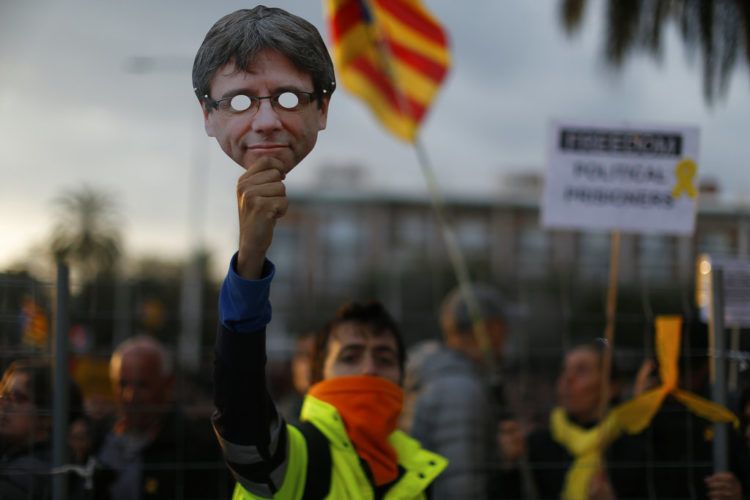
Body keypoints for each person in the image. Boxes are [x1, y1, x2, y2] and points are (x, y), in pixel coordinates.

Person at [194, 6, 447, 498]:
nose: (266, 121)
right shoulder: (295, 462)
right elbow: (243, 426)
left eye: (289, 98)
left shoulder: (422, 473)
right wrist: (249, 264)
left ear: (322, 109)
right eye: (352, 354)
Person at [407, 283, 521, 499]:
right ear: (488, 329)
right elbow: (460, 485)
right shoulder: (459, 391)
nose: (508, 334)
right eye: (504, 325)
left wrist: (499, 456)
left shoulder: (439, 375)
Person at [95, 335, 230, 500]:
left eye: (142, 385)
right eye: (123, 384)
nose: (130, 396)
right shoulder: (98, 439)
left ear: (167, 385)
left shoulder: (194, 447)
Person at [525, 340, 648, 499]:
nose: (567, 379)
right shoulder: (538, 444)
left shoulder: (633, 447)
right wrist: (510, 466)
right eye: (564, 370)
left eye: (581, 371)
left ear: (611, 388)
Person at [0, 358, 83, 500]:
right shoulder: (14, 452)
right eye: (4, 395)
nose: (5, 405)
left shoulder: (42, 470)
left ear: (47, 417)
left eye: (18, 398)